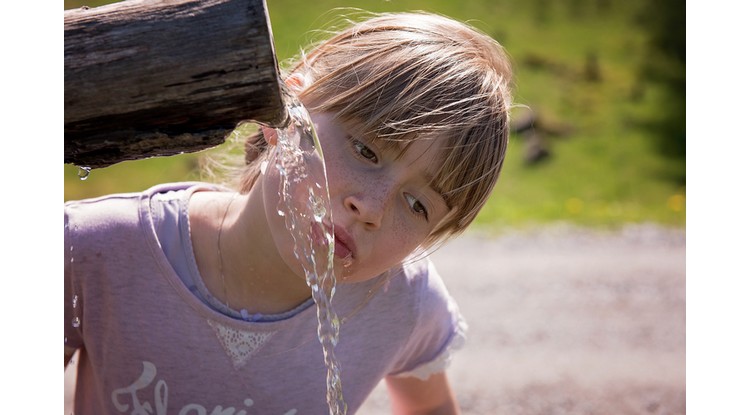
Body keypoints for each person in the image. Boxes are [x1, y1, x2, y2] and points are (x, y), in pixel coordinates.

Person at [64, 10, 512, 414]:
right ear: (287, 109)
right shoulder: (96, 250)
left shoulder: (402, 302)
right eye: (365, 150)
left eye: (417, 205)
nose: (370, 208)